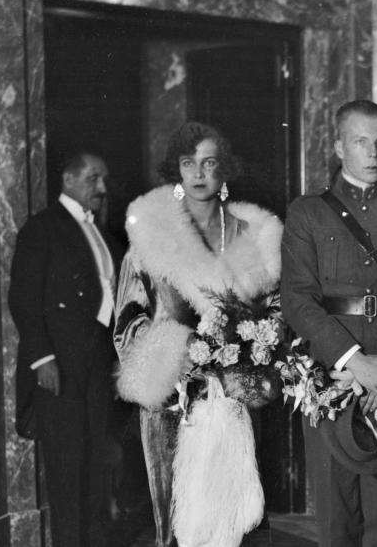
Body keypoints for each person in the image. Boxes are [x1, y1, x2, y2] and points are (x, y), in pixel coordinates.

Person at [112, 122, 283, 546]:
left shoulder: (253, 236)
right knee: (176, 523)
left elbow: (277, 311)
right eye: (189, 164)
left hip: (235, 397)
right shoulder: (149, 241)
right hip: (173, 401)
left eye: (209, 163)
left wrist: (252, 348)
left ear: (224, 170)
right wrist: (181, 348)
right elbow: (126, 321)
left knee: (234, 520)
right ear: (177, 171)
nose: (199, 174)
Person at [281, 99, 377, 547]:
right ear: (337, 146)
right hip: (332, 378)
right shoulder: (308, 213)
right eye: (360, 141)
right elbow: (297, 299)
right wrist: (355, 362)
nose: (373, 153)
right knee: (336, 522)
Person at [9, 152, 120, 547]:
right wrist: (42, 358)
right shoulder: (43, 229)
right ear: (69, 179)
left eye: (103, 179)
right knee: (67, 467)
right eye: (94, 179)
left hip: (96, 363)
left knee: (95, 463)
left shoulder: (102, 233)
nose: (102, 189)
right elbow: (23, 298)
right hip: (60, 364)